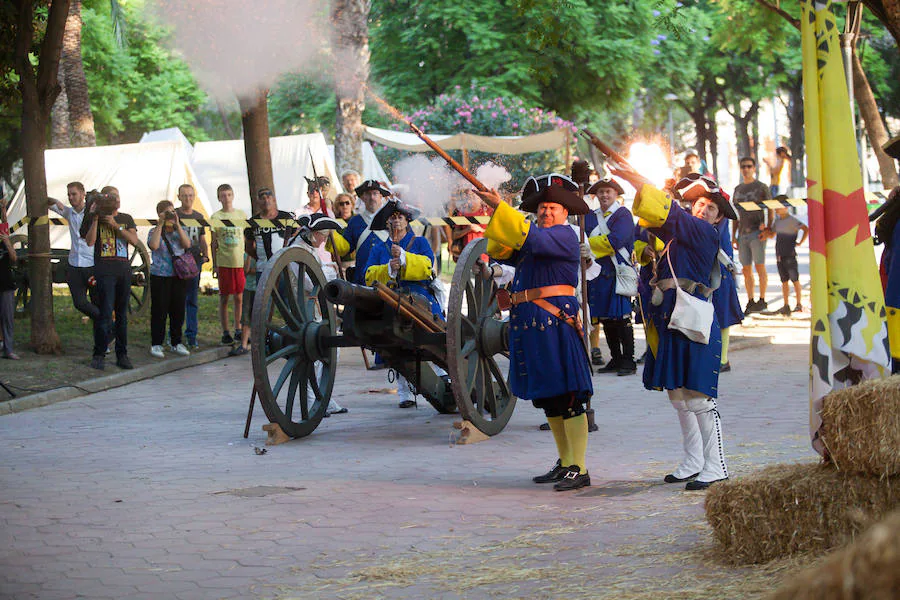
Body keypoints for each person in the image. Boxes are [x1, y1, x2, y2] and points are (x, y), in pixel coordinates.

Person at [614, 169, 734, 491]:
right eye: (700, 204)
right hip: (671, 315)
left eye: (711, 208)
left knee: (698, 397)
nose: (703, 210)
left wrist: (642, 182)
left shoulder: (704, 233)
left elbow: (672, 216)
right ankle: (694, 461)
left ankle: (716, 465)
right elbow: (652, 225)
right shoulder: (679, 234)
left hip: (692, 319)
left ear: (717, 219)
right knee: (679, 397)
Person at [474, 174, 595, 492]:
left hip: (555, 324)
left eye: (553, 207)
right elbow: (500, 250)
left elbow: (528, 239)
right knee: (549, 400)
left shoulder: (564, 236)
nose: (546, 212)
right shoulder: (536, 239)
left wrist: (501, 206)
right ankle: (566, 461)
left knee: (568, 399)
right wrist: (496, 211)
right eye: (542, 208)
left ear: (565, 212)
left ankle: (578, 468)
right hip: (534, 327)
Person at [365, 200, 445, 408]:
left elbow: (428, 268)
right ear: (387, 223)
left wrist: (405, 259)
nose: (396, 220)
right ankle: (404, 393)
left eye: (400, 216)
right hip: (390, 297)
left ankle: (445, 376)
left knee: (436, 336)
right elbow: (368, 276)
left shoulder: (419, 243)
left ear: (407, 220)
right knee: (394, 344)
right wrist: (388, 269)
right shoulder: (378, 248)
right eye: (392, 217)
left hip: (419, 296)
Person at [291, 213, 348, 415]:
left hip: (317, 309)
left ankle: (325, 396)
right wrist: (329, 275)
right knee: (314, 355)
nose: (325, 240)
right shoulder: (296, 251)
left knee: (332, 352)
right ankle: (312, 399)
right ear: (314, 233)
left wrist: (328, 271)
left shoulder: (310, 248)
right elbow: (309, 282)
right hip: (305, 311)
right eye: (323, 235)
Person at [80, 188, 139, 370]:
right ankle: (99, 354)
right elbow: (89, 241)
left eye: (116, 198)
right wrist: (95, 218)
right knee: (104, 314)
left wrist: (115, 225)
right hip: (104, 271)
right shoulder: (92, 217)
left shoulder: (126, 218)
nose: (114, 202)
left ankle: (122, 354)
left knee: (121, 314)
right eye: (110, 198)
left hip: (122, 271)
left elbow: (134, 241)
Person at [584, 178, 636, 376]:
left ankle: (628, 360)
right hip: (598, 273)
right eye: (601, 192)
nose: (604, 195)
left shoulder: (623, 214)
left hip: (616, 272)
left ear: (616, 194)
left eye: (608, 191)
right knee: (606, 318)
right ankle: (615, 358)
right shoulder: (590, 216)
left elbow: (616, 240)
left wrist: (589, 246)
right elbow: (583, 235)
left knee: (622, 318)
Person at [48, 182, 100, 321]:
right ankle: (105, 320)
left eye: (74, 194)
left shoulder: (93, 213)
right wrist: (56, 201)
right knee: (79, 303)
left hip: (91, 265)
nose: (71, 197)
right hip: (74, 266)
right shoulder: (68, 212)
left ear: (83, 194)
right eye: (69, 195)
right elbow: (46, 202)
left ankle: (104, 334)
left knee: (97, 302)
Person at [147, 201, 192, 358]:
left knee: (178, 310)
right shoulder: (154, 231)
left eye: (172, 212)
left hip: (178, 276)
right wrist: (160, 223)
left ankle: (176, 342)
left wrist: (177, 225)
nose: (170, 215)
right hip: (160, 276)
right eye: (167, 212)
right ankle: (157, 343)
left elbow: (187, 244)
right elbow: (153, 245)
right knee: (159, 310)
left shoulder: (180, 230)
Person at [329, 180, 392, 285]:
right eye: (368, 194)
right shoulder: (355, 221)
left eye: (375, 193)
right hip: (363, 278)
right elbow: (345, 247)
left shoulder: (392, 219)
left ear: (381, 196)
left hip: (388, 278)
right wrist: (331, 233)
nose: (372, 197)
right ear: (362, 198)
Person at [731, 157, 773, 314]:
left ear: (754, 168)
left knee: (759, 266)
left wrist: (768, 229)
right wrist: (734, 235)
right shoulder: (738, 189)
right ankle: (750, 300)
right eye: (743, 166)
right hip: (743, 233)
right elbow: (735, 213)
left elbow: (771, 208)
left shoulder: (761, 187)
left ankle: (762, 300)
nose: (746, 169)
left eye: (749, 166)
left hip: (757, 232)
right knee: (746, 269)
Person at [209, 183, 247, 345]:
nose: (226, 198)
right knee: (224, 298)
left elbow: (246, 238)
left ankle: (238, 328)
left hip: (239, 262)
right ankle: (225, 331)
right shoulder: (216, 217)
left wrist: (247, 259)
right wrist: (215, 264)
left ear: (233, 196)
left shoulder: (241, 215)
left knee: (239, 297)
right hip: (224, 261)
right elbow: (213, 242)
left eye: (229, 195)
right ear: (219, 198)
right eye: (223, 195)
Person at [175, 184, 209, 349]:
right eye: (184, 195)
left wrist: (206, 254)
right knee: (177, 300)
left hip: (195, 262)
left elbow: (202, 238)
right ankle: (174, 335)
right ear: (179, 197)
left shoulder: (198, 216)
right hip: (178, 262)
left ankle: (191, 335)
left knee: (192, 300)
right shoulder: (175, 215)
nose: (188, 198)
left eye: (190, 195)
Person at [711, 208, 743, 372]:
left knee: (723, 316)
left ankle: (722, 359)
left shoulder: (720, 213)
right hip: (707, 271)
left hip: (721, 270)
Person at [770, 204, 808, 316]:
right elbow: (772, 234)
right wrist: (764, 230)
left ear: (786, 207)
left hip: (790, 254)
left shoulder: (792, 220)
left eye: (779, 206)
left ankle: (799, 303)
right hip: (780, 255)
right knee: (784, 280)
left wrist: (801, 242)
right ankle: (786, 304)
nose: (777, 209)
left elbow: (805, 228)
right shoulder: (777, 222)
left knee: (795, 279)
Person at [449, 189, 493, 262]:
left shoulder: (488, 211)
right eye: (468, 196)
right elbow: (454, 235)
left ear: (479, 197)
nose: (470, 199)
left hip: (486, 255)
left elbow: (497, 233)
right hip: (466, 255)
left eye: (473, 196)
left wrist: (481, 230)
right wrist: (467, 229)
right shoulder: (461, 212)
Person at [0, 193, 19, 360]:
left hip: (5, 282)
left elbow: (14, 258)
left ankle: (9, 348)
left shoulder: (3, 232)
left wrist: (7, 242)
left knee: (7, 318)